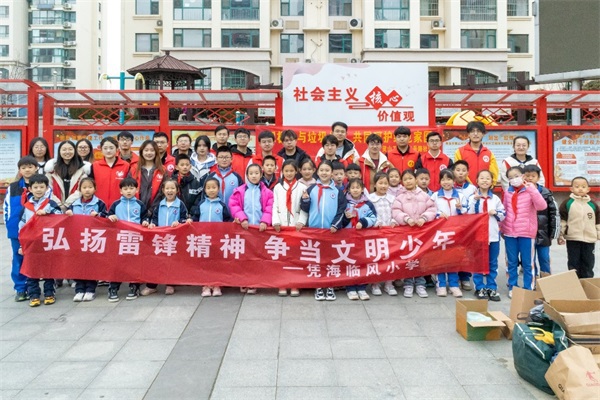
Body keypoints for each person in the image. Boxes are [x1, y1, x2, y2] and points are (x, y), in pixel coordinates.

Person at [300, 160, 346, 301]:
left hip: (331, 231)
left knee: (331, 259)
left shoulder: (337, 191)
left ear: (332, 173)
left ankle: (330, 285)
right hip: (314, 231)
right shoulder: (311, 189)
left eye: (327, 170)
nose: (324, 173)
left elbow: (341, 210)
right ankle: (319, 286)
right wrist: (305, 200)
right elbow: (304, 208)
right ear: (317, 172)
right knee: (317, 260)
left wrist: (335, 225)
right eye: (322, 170)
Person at [228, 164, 274, 295]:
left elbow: (269, 208)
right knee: (244, 256)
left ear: (261, 174)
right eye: (251, 173)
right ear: (247, 175)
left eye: (256, 173)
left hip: (260, 230)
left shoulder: (267, 192)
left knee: (257, 256)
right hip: (244, 229)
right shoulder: (239, 191)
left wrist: (265, 221)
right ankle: (244, 280)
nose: (254, 176)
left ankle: (254, 281)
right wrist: (242, 218)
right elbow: (234, 205)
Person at [501, 166, 547, 298]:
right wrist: (502, 228)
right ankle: (513, 286)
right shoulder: (508, 192)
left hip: (526, 232)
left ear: (522, 176)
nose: (514, 179)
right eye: (510, 178)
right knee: (511, 262)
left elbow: (542, 206)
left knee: (528, 262)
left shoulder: (530, 190)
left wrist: (532, 190)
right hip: (510, 232)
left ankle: (528, 287)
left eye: (516, 176)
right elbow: (504, 210)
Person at [18, 174, 62, 307]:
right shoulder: (26, 206)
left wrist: (48, 213)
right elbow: (22, 227)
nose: (38, 190)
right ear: (30, 189)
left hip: (47, 241)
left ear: (47, 188)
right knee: (32, 269)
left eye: (41, 187)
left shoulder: (51, 203)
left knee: (48, 268)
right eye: (35, 187)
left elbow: (60, 217)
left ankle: (49, 293)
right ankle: (34, 295)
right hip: (31, 243)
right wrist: (22, 245)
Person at [392, 170, 437, 298]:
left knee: (421, 258)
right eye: (405, 179)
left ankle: (420, 284)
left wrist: (424, 218)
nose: (408, 181)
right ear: (402, 182)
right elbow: (395, 211)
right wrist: (406, 219)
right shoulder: (399, 197)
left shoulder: (424, 195)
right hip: (406, 233)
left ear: (415, 180)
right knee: (408, 258)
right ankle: (408, 284)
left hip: (421, 233)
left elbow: (432, 208)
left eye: (410, 178)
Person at [144, 179, 192, 296]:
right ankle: (151, 285)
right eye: (167, 188)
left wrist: (179, 222)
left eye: (172, 188)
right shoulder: (159, 205)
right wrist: (152, 224)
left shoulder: (180, 204)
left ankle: (170, 284)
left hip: (173, 239)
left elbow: (185, 218)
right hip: (159, 238)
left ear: (177, 190)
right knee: (155, 261)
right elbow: (154, 218)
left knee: (171, 262)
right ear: (163, 190)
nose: (170, 191)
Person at [107, 177, 150, 302]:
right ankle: (113, 288)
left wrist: (145, 222)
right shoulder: (116, 204)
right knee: (117, 264)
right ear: (120, 191)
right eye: (125, 189)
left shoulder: (140, 204)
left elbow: (145, 217)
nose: (129, 191)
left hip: (135, 239)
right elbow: (107, 216)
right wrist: (110, 216)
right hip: (120, 239)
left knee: (134, 264)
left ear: (137, 189)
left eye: (131, 188)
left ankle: (134, 286)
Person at [65, 177, 107, 302]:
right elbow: (65, 220)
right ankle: (79, 289)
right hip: (77, 238)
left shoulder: (99, 203)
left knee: (91, 264)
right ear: (80, 189)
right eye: (84, 187)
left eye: (90, 187)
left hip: (93, 239)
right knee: (77, 264)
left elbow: (106, 217)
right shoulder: (74, 204)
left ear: (95, 189)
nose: (87, 190)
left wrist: (98, 215)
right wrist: (68, 215)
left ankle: (90, 289)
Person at [4, 156, 38, 302]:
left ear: (36, 168)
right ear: (19, 170)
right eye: (23, 168)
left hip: (37, 229)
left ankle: (36, 287)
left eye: (30, 167)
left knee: (37, 257)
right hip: (16, 230)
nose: (27, 170)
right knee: (18, 257)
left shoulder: (41, 185)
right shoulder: (13, 187)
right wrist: (9, 224)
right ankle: (20, 288)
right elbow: (7, 208)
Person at [468, 170, 505, 302]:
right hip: (478, 236)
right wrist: (475, 201)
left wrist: (496, 213)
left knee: (492, 262)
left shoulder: (495, 199)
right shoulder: (472, 198)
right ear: (477, 181)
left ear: (491, 182)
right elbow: (468, 214)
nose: (485, 180)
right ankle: (479, 287)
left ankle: (491, 286)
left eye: (487, 178)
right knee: (478, 262)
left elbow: (503, 215)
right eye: (482, 178)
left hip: (493, 235)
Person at [272, 160, 307, 297]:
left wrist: (301, 221)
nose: (289, 173)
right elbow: (274, 205)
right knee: (282, 256)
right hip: (281, 226)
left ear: (296, 171)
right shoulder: (278, 187)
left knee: (295, 256)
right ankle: (282, 283)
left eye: (292, 171)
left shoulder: (302, 187)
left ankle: (294, 283)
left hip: (296, 225)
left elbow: (304, 207)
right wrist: (275, 221)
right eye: (286, 171)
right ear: (282, 172)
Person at [192, 177, 232, 297]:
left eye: (214, 187)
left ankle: (217, 285)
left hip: (217, 239)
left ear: (218, 189)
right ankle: (205, 285)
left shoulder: (222, 205)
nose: (211, 190)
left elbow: (228, 221)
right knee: (204, 263)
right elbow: (195, 219)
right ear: (204, 190)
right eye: (208, 188)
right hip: (203, 239)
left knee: (217, 262)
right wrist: (190, 221)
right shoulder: (201, 204)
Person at [431, 169, 467, 298]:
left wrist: (460, 208)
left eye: (449, 179)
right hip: (440, 233)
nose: (446, 182)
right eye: (443, 179)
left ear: (454, 181)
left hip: (455, 233)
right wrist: (438, 214)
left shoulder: (460, 196)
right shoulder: (435, 196)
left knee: (453, 258)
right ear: (440, 181)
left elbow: (467, 211)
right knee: (440, 258)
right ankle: (441, 285)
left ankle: (453, 285)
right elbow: (430, 211)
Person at [342, 178, 377, 301]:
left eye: (358, 187)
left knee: (362, 261)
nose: (355, 190)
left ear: (362, 189)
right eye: (353, 188)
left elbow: (373, 218)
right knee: (349, 262)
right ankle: (350, 288)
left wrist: (363, 222)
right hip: (348, 238)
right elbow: (339, 218)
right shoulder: (345, 203)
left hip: (363, 238)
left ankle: (362, 287)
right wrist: (346, 218)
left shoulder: (368, 204)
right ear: (348, 190)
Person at [558, 177, 599, 279]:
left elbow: (598, 222)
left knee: (588, 262)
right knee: (573, 262)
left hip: (589, 239)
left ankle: (587, 282)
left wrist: (598, 233)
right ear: (571, 189)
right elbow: (562, 221)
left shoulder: (592, 204)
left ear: (588, 189)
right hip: (573, 238)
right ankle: (575, 282)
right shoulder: (567, 203)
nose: (580, 189)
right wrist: (560, 235)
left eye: (583, 187)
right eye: (577, 187)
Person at [523, 165, 559, 276]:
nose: (530, 178)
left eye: (533, 176)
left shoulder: (546, 193)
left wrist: (554, 232)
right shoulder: (521, 192)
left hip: (544, 233)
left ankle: (546, 280)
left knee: (544, 258)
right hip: (527, 233)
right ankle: (533, 281)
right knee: (530, 260)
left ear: (538, 178)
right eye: (527, 176)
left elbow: (553, 213)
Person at [368, 173, 398, 296]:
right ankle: (375, 283)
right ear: (375, 185)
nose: (383, 186)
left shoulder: (392, 198)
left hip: (390, 234)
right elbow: (368, 213)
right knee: (377, 258)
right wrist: (376, 223)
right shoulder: (370, 198)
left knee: (390, 258)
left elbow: (395, 212)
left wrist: (394, 221)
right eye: (380, 183)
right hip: (376, 233)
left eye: (385, 183)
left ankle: (388, 283)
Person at [451, 160, 478, 290]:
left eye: (463, 170)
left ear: (468, 172)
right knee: (453, 252)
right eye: (458, 170)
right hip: (452, 226)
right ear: (453, 172)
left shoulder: (472, 189)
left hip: (467, 226)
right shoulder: (449, 186)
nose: (460, 173)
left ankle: (465, 277)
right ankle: (454, 277)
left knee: (466, 252)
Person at [45, 140, 90, 212]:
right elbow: (48, 189)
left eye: (70, 149)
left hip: (76, 207)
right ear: (59, 151)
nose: (67, 152)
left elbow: (81, 190)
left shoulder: (82, 169)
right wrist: (59, 205)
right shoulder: (52, 169)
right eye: (64, 149)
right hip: (55, 207)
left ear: (75, 151)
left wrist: (66, 205)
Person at [454, 121, 499, 185]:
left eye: (478, 131)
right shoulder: (460, 152)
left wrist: (490, 186)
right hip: (465, 188)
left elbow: (494, 173)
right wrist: (470, 186)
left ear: (483, 134)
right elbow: (458, 171)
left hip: (484, 188)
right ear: (468, 134)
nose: (475, 134)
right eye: (472, 131)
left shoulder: (489, 153)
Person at [92, 137, 131, 208]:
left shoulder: (126, 165)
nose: (108, 151)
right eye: (105, 148)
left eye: (111, 148)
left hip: (120, 205)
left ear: (117, 149)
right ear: (101, 150)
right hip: (98, 205)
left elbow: (130, 186)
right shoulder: (95, 166)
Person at [132, 140, 166, 211]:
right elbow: (129, 188)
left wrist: (152, 209)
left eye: (152, 150)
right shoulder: (134, 169)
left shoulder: (162, 170)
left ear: (156, 152)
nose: (149, 153)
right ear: (141, 152)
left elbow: (164, 192)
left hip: (157, 210)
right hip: (136, 209)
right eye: (146, 150)